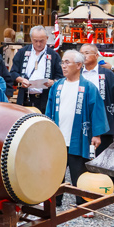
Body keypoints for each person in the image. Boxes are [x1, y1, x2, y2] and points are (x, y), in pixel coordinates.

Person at [45, 50, 107, 208]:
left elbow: (97, 110)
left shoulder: (88, 87)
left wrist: (97, 134)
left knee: (78, 171)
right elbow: (49, 110)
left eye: (67, 62)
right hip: (58, 136)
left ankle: (82, 203)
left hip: (78, 137)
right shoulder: (57, 86)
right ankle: (53, 202)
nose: (63, 66)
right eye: (62, 62)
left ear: (79, 65)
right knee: (55, 171)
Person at [79, 43, 114, 155]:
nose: (83, 56)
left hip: (103, 116)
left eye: (87, 53)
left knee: (104, 155)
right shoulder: (77, 74)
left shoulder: (106, 74)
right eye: (81, 54)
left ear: (96, 55)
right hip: (82, 117)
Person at [7, 26, 63, 112]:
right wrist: (21, 80)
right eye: (35, 41)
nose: (38, 44)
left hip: (45, 98)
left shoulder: (54, 55)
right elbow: (13, 72)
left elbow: (60, 77)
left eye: (41, 41)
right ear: (31, 39)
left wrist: (52, 82)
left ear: (47, 38)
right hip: (26, 97)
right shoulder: (22, 52)